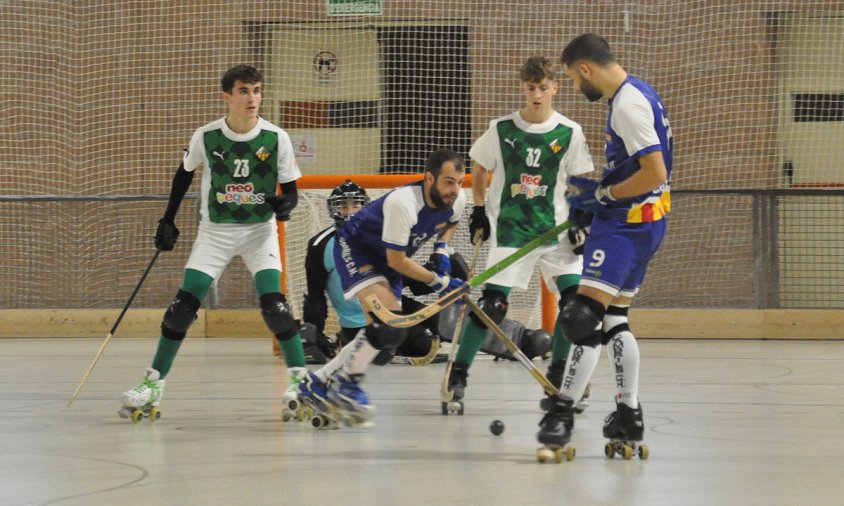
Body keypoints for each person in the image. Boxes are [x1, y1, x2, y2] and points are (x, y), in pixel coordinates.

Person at [118, 65, 309, 421]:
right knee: (181, 310)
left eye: (257, 90)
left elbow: (292, 190)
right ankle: (153, 384)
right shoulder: (206, 136)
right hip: (215, 233)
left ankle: (302, 382)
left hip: (259, 232)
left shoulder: (276, 137)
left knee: (275, 309)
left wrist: (287, 205)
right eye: (244, 91)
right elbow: (184, 173)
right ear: (227, 96)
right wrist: (168, 219)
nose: (252, 98)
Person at [537, 33, 673, 452]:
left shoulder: (627, 106)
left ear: (585, 69)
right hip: (646, 223)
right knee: (616, 321)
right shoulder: (640, 92)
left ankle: (562, 412)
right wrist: (595, 195)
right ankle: (628, 415)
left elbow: (655, 172)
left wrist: (604, 197)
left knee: (581, 317)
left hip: (625, 226)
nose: (577, 88)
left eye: (572, 80)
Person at [446, 56, 595, 412]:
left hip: (556, 231)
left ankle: (559, 371)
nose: (537, 95)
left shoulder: (570, 132)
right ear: (522, 88)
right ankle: (460, 372)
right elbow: (480, 167)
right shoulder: (501, 129)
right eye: (531, 88)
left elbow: (580, 182)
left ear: (555, 88)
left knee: (575, 306)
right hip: (512, 229)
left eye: (544, 87)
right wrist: (479, 208)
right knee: (491, 306)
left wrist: (581, 220)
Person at [296, 149, 468, 425]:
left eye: (459, 181)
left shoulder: (457, 198)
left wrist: (441, 252)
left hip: (389, 256)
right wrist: (439, 282)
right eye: (448, 181)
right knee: (388, 324)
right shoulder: (404, 204)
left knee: (383, 330)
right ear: (429, 178)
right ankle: (347, 386)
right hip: (358, 250)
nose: (455, 189)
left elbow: (451, 223)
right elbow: (397, 261)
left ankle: (317, 381)